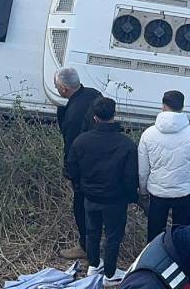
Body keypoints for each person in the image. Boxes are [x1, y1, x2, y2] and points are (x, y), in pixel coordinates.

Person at [67, 97, 138, 285]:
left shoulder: (81, 141)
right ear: (114, 114)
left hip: (90, 197)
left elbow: (72, 169)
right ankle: (110, 273)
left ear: (94, 117)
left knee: (92, 231)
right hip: (115, 199)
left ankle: (93, 265)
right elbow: (131, 177)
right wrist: (131, 196)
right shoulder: (126, 144)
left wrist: (80, 188)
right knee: (113, 236)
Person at [138, 91, 190, 242]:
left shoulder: (148, 134)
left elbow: (143, 170)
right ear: (182, 107)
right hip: (185, 194)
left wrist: (143, 191)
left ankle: (153, 263)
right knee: (183, 237)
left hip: (157, 193)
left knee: (154, 237)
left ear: (163, 106)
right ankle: (179, 264)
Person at [55, 66, 103, 260]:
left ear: (65, 89)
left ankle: (85, 245)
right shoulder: (94, 94)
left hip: (85, 169)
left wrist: (69, 171)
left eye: (57, 86)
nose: (56, 89)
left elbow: (71, 146)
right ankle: (98, 240)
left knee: (81, 206)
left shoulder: (73, 113)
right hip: (103, 162)